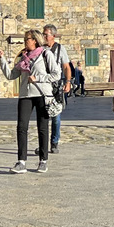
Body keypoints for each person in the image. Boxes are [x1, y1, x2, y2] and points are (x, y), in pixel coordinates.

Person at [0, 30, 58, 173]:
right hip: (25, 95)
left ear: (35, 40)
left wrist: (39, 79)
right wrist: (2, 59)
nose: (25, 41)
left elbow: (56, 74)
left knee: (42, 127)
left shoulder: (45, 54)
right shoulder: (23, 59)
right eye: (25, 39)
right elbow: (11, 75)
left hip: (42, 94)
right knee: (21, 127)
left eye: (27, 39)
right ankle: (21, 162)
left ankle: (43, 160)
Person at [42, 24, 72, 153]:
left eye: (46, 34)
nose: (43, 36)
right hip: (43, 85)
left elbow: (66, 67)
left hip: (55, 86)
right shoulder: (40, 49)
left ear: (53, 36)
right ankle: (42, 143)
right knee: (42, 115)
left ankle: (54, 142)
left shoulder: (60, 49)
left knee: (55, 115)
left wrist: (68, 82)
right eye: (43, 34)